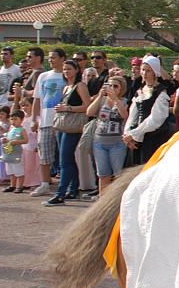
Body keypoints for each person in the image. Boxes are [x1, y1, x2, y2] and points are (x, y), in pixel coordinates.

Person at [43, 58, 91, 206]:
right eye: (64, 69)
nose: (66, 72)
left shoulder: (80, 86)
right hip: (63, 125)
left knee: (64, 161)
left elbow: (87, 106)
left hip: (73, 126)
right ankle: (73, 189)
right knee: (67, 159)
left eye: (69, 69)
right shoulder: (66, 87)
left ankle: (60, 194)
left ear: (76, 70)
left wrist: (68, 108)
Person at [123, 55, 173, 165]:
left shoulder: (161, 92)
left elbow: (155, 119)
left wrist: (134, 133)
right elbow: (132, 115)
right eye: (143, 70)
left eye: (148, 71)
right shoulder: (140, 90)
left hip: (154, 137)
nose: (144, 73)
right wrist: (127, 134)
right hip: (138, 137)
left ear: (154, 72)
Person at [29, 47, 65, 197]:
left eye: (54, 57)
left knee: (64, 154)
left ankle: (66, 184)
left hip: (63, 121)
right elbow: (37, 99)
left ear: (62, 59)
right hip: (45, 120)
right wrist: (34, 119)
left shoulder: (68, 75)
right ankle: (44, 184)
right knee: (44, 154)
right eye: (49, 58)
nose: (51, 60)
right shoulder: (43, 76)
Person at [87, 75, 128, 197]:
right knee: (103, 174)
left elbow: (125, 115)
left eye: (115, 86)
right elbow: (89, 112)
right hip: (99, 142)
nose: (112, 88)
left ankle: (116, 200)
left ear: (121, 88)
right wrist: (100, 96)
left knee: (118, 175)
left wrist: (115, 100)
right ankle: (102, 199)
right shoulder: (102, 100)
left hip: (117, 143)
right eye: (110, 85)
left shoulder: (124, 101)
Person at [0, 109, 28, 193]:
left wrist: (17, 142)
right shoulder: (11, 129)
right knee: (11, 169)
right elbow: (7, 137)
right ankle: (12, 185)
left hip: (17, 153)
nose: (13, 121)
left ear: (21, 120)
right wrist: (4, 139)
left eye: (16, 119)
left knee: (18, 169)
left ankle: (20, 186)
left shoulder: (22, 130)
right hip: (9, 152)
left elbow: (26, 140)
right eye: (12, 119)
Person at [0, 46, 22, 112]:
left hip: (10, 103)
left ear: (12, 56)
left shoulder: (17, 69)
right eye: (1, 54)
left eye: (5, 54)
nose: (3, 56)